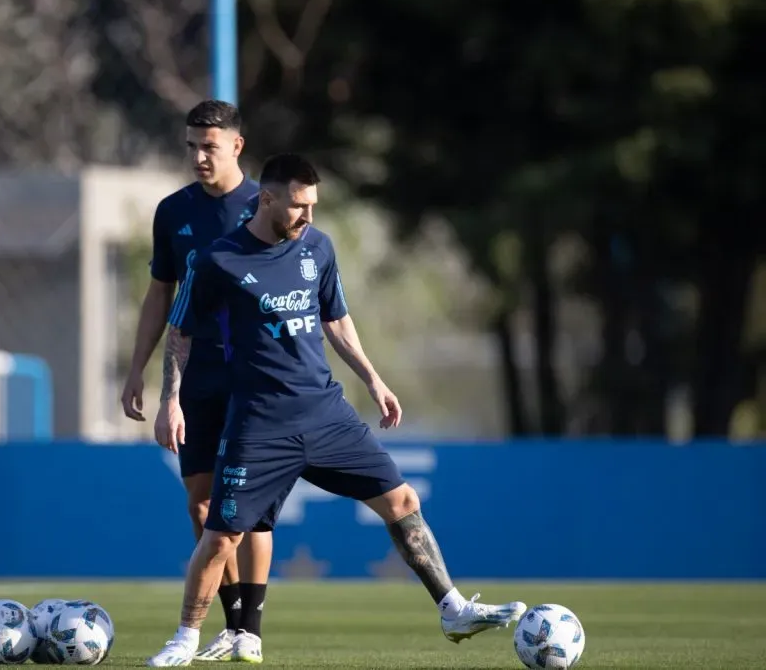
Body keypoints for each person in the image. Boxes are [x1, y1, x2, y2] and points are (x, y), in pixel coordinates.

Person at [146, 154, 526, 667]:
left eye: (314, 206)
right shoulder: (217, 260)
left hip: (327, 415)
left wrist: (372, 378)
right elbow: (181, 332)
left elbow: (336, 318)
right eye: (299, 206)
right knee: (222, 536)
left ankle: (452, 608)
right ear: (268, 199)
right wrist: (171, 400)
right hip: (259, 423)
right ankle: (186, 639)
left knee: (402, 501)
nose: (308, 216)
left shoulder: (317, 249)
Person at [121, 99, 274, 663]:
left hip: (255, 373)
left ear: (236, 145)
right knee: (203, 508)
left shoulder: (268, 203)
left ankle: (248, 628)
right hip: (196, 371)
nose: (198, 156)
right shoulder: (173, 212)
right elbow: (161, 293)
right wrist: (140, 369)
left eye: (209, 145)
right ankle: (232, 626)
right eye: (191, 145)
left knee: (248, 507)